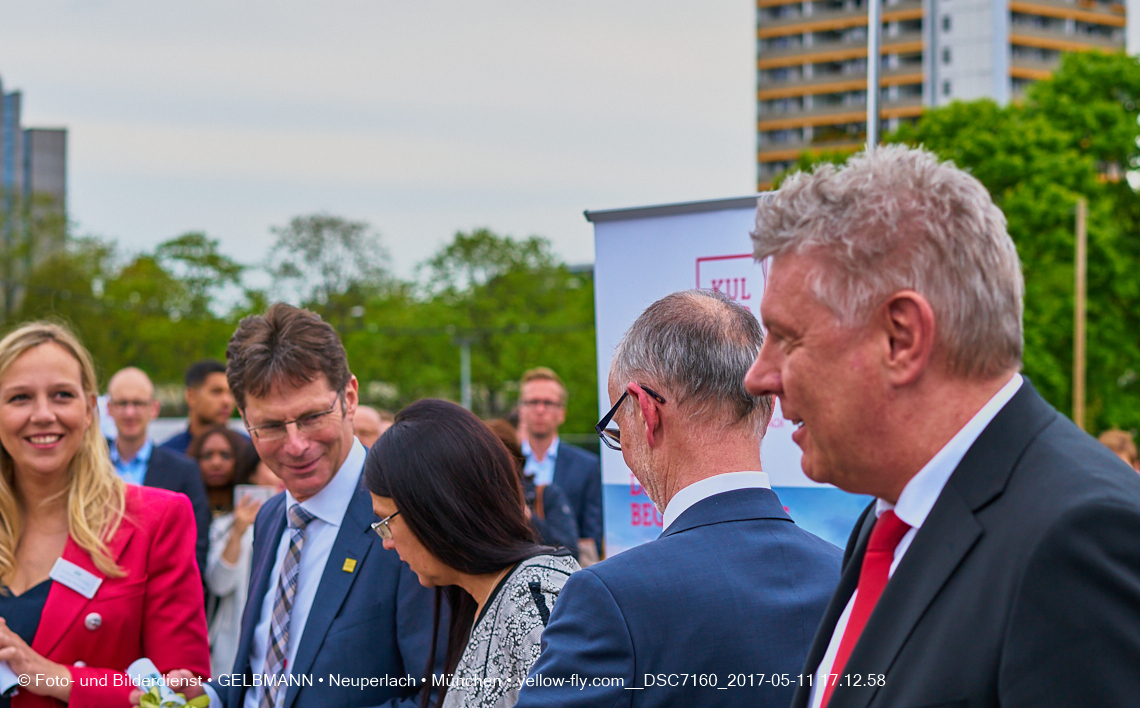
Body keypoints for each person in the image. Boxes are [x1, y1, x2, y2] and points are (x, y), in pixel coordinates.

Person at [744, 145, 1140, 708]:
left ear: (901, 339)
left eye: (787, 336)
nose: (760, 375)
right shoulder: (891, 520)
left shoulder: (1078, 539)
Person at [513, 290, 842, 708]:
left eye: (617, 430)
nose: (625, 452)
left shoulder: (609, 599)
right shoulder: (848, 576)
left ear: (646, 412)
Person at [165, 303, 442, 708]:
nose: (295, 445)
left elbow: (436, 697)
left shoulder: (412, 517)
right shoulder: (271, 517)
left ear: (349, 396)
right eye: (272, 426)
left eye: (312, 417)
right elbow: (265, 679)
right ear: (244, 420)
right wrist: (208, 695)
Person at [0, 322, 209, 708]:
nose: (43, 414)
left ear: (90, 409)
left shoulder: (156, 519)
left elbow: (181, 696)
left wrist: (49, 675)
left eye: (62, 395)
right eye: (20, 398)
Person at [364, 399, 579, 708]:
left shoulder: (534, 601)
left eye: (386, 522)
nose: (386, 541)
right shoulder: (493, 595)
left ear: (435, 508)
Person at [196, 430, 285, 681]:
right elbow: (219, 584)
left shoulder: (303, 522)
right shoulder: (225, 525)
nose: (281, 473)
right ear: (252, 474)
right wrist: (237, 532)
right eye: (270, 466)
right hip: (232, 646)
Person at [105, 366, 211, 576]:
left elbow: (195, 546)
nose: (130, 412)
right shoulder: (88, 466)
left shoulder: (184, 471)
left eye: (138, 403)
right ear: (109, 409)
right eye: (122, 403)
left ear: (154, 408)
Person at [517, 368, 602, 564]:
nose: (540, 409)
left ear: (561, 413)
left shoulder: (586, 466)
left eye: (548, 403)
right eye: (533, 402)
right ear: (521, 410)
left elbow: (591, 538)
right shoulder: (505, 463)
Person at [485, 419, 579, 556]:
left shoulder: (546, 494)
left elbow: (570, 552)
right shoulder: (474, 501)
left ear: (512, 458)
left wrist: (527, 517)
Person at [161, 360, 238, 455]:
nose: (227, 401)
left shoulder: (247, 452)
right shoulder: (168, 454)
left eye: (231, 393)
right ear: (191, 396)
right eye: (216, 392)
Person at [187, 425, 250, 513]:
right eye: (207, 456)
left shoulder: (252, 507)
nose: (216, 463)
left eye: (226, 455)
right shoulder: (184, 509)